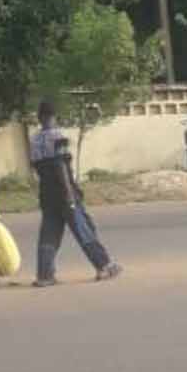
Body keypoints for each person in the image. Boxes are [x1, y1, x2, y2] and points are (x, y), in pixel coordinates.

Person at [28, 101, 121, 285]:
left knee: (49, 233)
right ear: (54, 116)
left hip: (47, 195)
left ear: (39, 117)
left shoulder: (35, 140)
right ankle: (103, 266)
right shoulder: (58, 137)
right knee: (83, 229)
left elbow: (38, 168)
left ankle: (44, 275)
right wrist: (69, 194)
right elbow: (60, 166)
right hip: (64, 193)